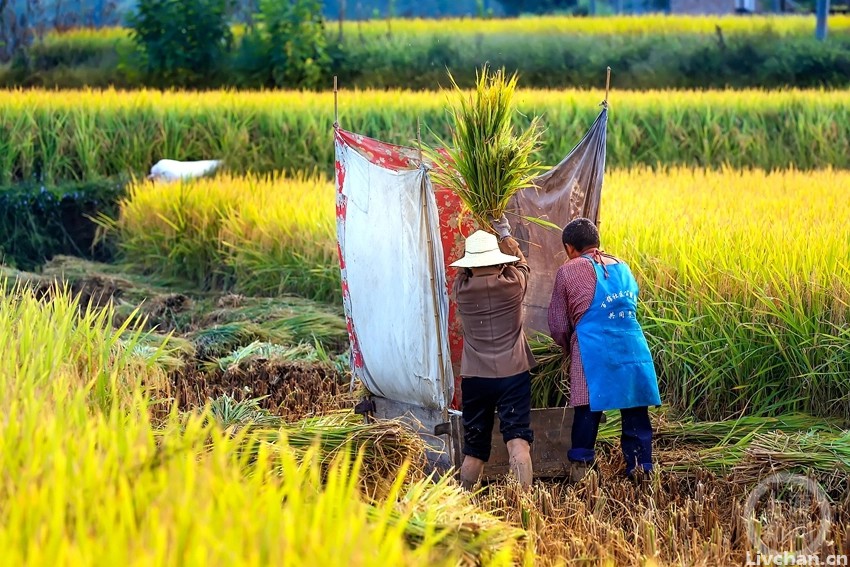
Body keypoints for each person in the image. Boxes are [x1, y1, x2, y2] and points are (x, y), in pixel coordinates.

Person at [547, 218, 661, 481]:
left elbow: (559, 325)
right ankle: (641, 469)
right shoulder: (623, 266)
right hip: (631, 345)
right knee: (635, 409)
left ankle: (583, 470)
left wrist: (568, 349)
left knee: (587, 408)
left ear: (569, 247)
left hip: (592, 348)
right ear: (596, 241)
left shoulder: (568, 270)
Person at [451, 215, 536, 490]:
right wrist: (503, 233)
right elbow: (522, 262)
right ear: (498, 260)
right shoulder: (513, 285)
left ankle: (463, 500)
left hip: (476, 378)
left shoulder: (462, 291)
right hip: (513, 374)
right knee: (518, 441)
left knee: (475, 449)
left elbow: (462, 273)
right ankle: (526, 503)